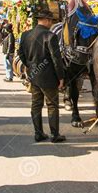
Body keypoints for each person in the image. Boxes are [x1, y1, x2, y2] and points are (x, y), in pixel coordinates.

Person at [18, 10, 66, 143]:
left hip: (34, 75)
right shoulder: (50, 36)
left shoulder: (26, 34)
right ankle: (55, 135)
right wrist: (61, 77)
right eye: (51, 21)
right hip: (49, 77)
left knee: (36, 105)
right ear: (47, 20)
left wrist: (29, 65)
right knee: (52, 105)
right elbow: (56, 59)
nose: (51, 23)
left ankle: (38, 133)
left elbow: (20, 53)